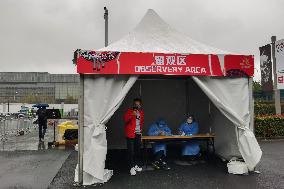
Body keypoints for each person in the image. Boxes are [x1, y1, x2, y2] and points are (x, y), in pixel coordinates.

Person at [124, 98, 144, 176]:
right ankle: (131, 167)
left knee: (137, 150)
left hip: (138, 134)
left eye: (138, 104)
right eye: (135, 104)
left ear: (140, 105)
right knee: (131, 151)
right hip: (130, 134)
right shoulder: (129, 111)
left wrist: (141, 134)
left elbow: (141, 123)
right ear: (133, 105)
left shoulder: (141, 112)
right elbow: (125, 120)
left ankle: (135, 165)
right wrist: (132, 114)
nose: (137, 106)